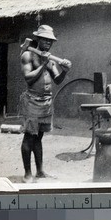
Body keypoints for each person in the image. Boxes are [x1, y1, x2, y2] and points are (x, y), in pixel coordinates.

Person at [19, 25, 71, 183]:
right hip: (32, 101)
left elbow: (57, 80)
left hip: (46, 103)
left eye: (50, 40)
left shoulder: (49, 58)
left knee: (39, 138)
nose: (48, 43)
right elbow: (28, 78)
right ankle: (28, 173)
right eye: (45, 39)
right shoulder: (28, 55)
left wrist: (65, 71)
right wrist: (43, 63)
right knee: (29, 137)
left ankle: (40, 171)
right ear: (38, 39)